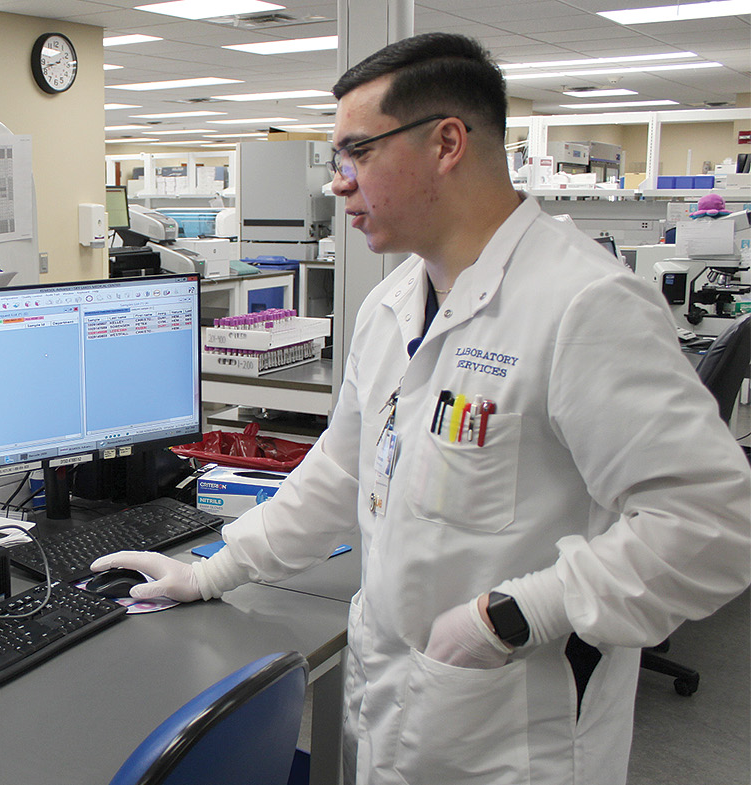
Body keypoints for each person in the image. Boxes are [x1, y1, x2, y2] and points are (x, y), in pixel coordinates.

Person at [93, 32, 751, 785]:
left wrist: (511, 615)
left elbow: (713, 525)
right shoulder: (392, 303)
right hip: (397, 707)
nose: (338, 184)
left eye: (357, 153)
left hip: (512, 732)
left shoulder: (583, 304)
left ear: (446, 143)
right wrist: (215, 569)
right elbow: (339, 473)